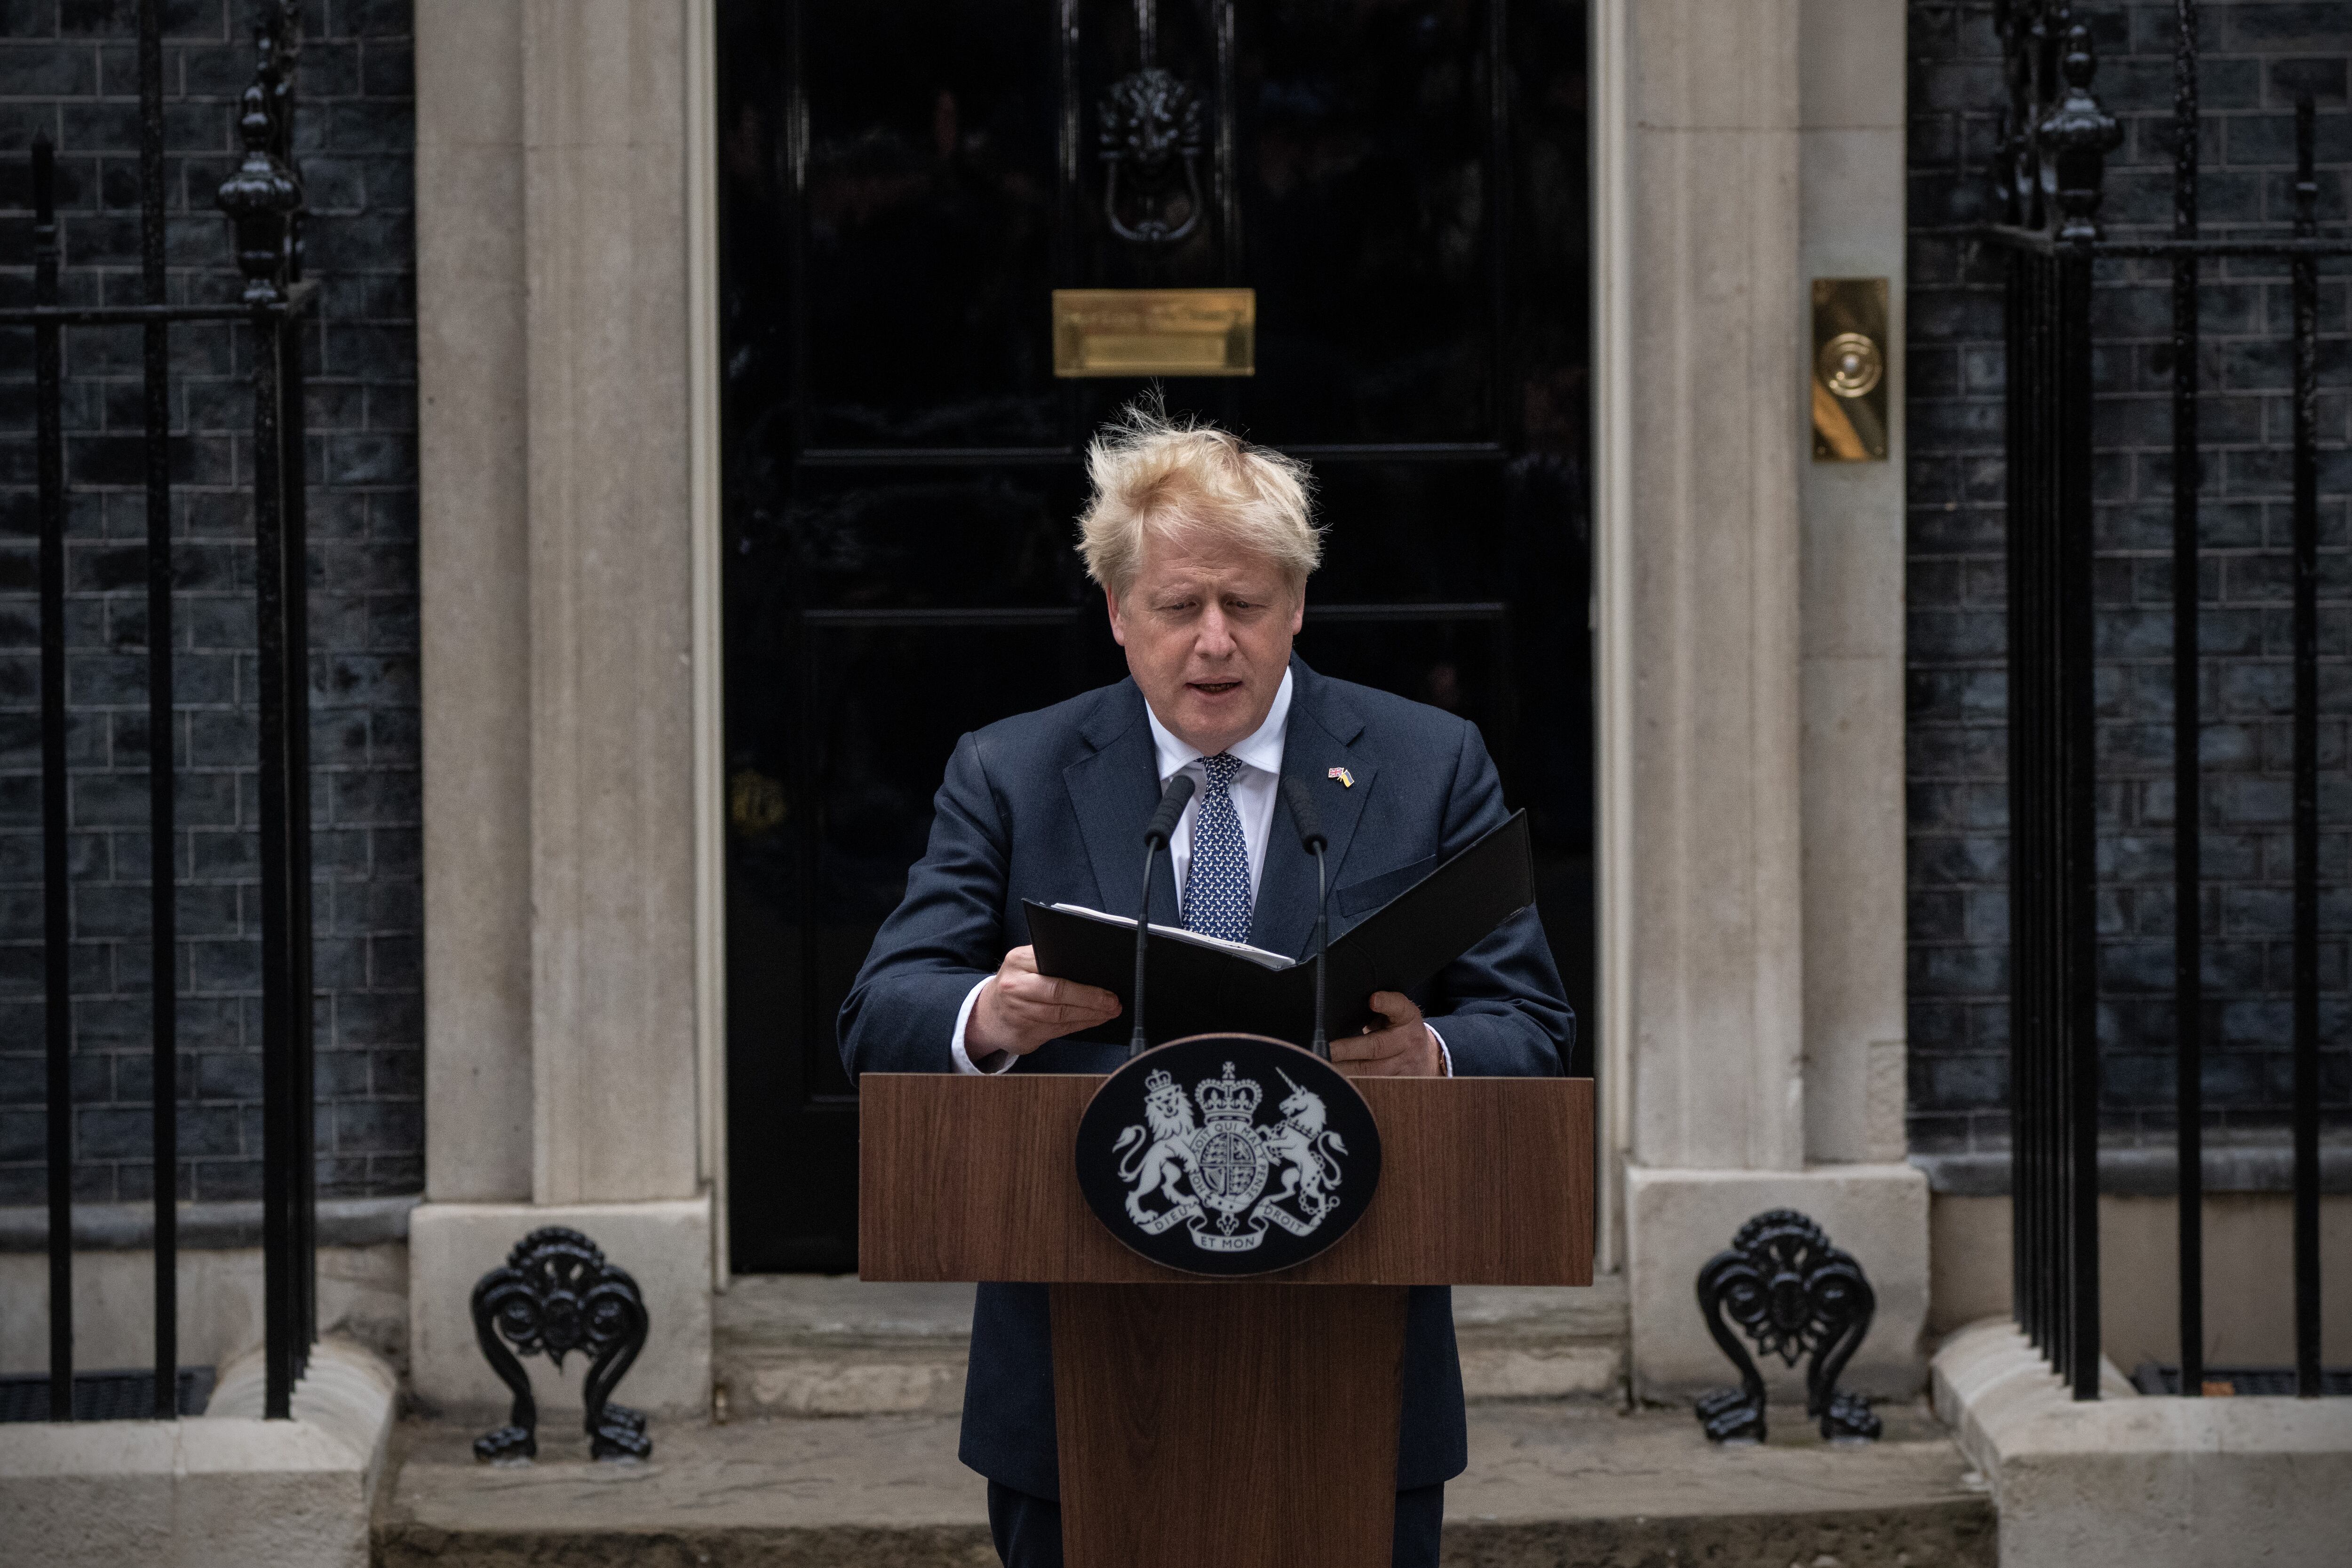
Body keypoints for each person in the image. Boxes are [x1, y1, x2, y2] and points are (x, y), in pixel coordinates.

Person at [838, 402, 1573, 1568]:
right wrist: (992, 1015)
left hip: (1351, 1364)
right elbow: (883, 1010)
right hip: (1079, 1379)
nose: (1216, 641)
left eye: (1246, 604)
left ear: (1297, 605)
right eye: (1181, 607)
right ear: (1121, 612)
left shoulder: (1431, 764)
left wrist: (1427, 1055)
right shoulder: (1013, 768)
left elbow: (1530, 1027)